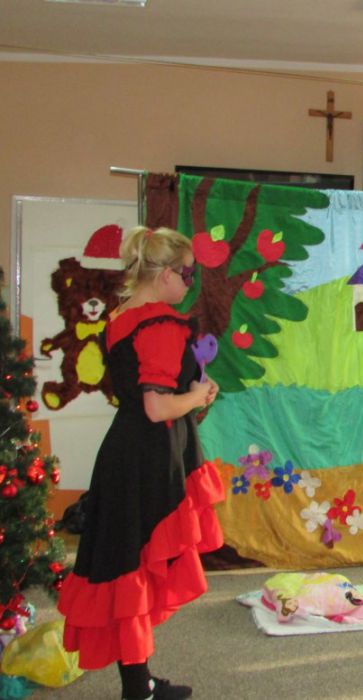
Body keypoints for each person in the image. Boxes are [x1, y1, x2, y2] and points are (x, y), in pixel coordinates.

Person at [57, 226, 225, 699]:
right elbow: (156, 406)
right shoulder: (160, 323)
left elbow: (146, 391)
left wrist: (190, 392)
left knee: (132, 565)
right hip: (150, 456)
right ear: (165, 274)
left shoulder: (122, 316)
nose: (190, 283)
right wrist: (197, 396)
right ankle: (139, 688)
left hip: (131, 451)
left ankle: (139, 682)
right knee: (137, 567)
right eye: (186, 274)